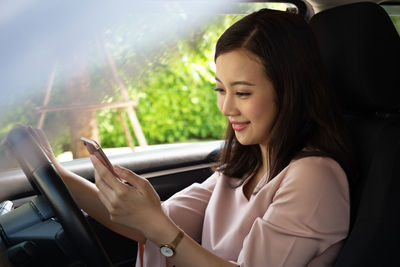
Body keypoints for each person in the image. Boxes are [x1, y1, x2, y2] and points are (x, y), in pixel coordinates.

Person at [29, 8, 353, 267]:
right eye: (220, 89)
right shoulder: (246, 166)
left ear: (290, 92)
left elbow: (158, 228)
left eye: (242, 92)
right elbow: (145, 225)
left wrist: (155, 225)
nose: (226, 107)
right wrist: (56, 174)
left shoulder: (313, 177)